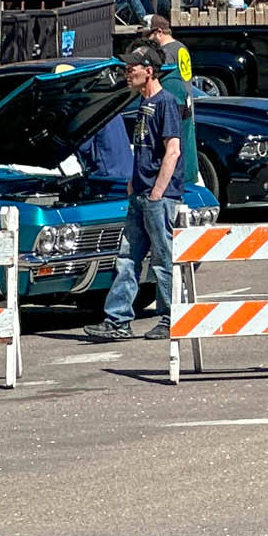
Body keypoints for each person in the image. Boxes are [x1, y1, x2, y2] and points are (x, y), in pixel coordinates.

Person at [85, 46, 187, 342]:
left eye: (132, 68)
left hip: (159, 197)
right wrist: (134, 183)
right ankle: (118, 320)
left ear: (149, 71)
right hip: (139, 194)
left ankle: (171, 318)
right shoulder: (142, 104)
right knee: (127, 257)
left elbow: (173, 150)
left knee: (162, 259)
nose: (127, 73)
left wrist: (157, 192)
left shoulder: (166, 102)